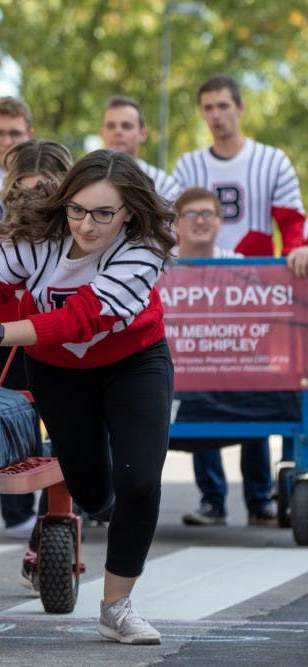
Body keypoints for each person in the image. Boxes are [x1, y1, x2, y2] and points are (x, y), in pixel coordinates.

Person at [0, 149, 176, 644]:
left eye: (103, 213)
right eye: (78, 209)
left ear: (127, 211)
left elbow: (81, 319)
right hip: (60, 372)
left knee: (141, 481)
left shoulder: (143, 245)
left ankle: (115, 608)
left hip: (135, 361)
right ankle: (102, 502)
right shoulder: (38, 236)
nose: (87, 225)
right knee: (91, 491)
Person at [173, 74, 308, 526]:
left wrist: (297, 250)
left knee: (254, 385)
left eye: (223, 106)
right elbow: (171, 222)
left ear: (240, 107)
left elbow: (291, 220)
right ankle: (213, 498)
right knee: (197, 384)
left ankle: (260, 499)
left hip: (252, 295)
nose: (216, 115)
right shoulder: (190, 166)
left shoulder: (270, 161)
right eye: (208, 107)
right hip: (195, 295)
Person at [0, 139, 74, 545]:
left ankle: (45, 536)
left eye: (44, 189)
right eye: (23, 190)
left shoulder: (76, 220)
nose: (33, 200)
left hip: (52, 336)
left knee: (63, 434)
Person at [99, 95, 180, 202]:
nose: (118, 132)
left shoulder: (164, 184)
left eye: (126, 126)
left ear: (143, 134)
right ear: (102, 133)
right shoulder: (85, 180)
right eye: (111, 126)